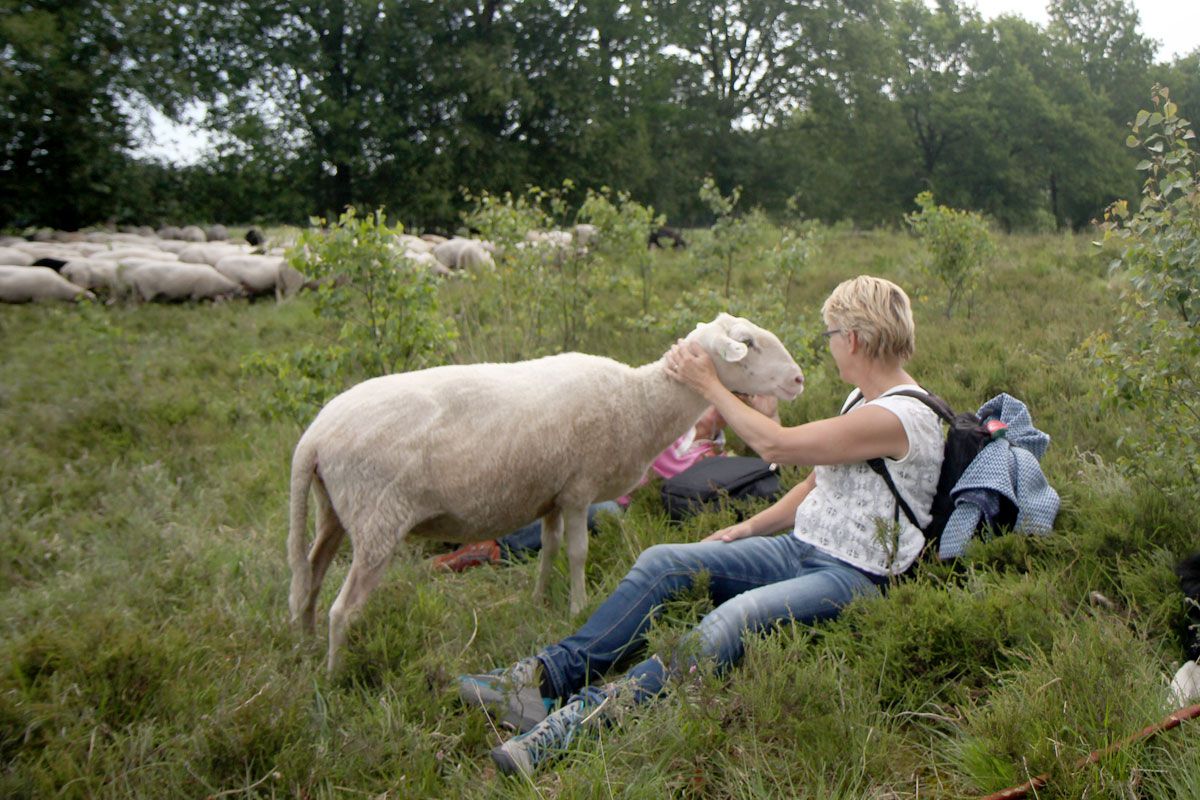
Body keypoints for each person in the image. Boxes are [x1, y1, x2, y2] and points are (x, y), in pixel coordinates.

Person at [458, 275, 944, 777]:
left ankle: (578, 722)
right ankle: (538, 680)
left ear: (855, 339)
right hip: (802, 549)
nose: (831, 347)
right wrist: (745, 529)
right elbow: (818, 486)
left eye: (830, 335)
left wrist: (710, 384)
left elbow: (776, 446)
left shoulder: (901, 416)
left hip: (855, 576)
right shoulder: (862, 402)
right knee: (664, 561)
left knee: (730, 620)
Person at [431, 395, 779, 572]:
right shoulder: (670, 420)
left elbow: (773, 461)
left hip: (624, 501)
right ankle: (455, 524)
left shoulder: (718, 458)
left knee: (600, 512)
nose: (715, 408)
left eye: (729, 404)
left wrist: (769, 414)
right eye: (715, 399)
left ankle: (491, 548)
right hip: (597, 474)